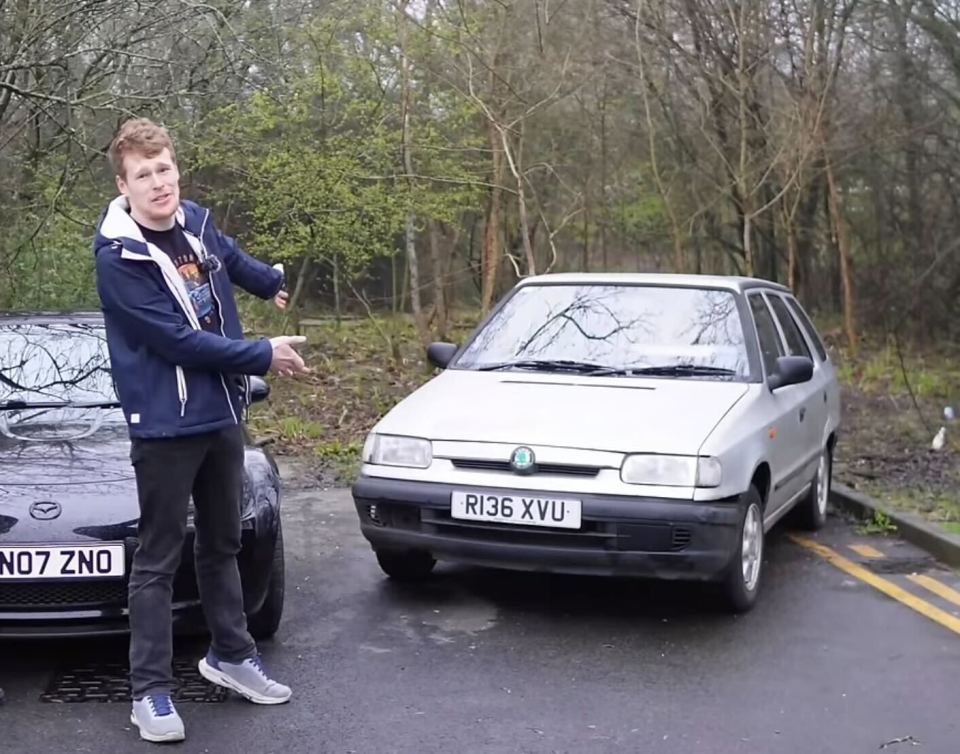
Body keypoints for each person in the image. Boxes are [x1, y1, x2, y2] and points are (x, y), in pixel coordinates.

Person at [93, 117, 308, 744]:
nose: (158, 184)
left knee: (224, 544)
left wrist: (268, 281)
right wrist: (261, 353)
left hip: (220, 413)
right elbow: (179, 342)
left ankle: (232, 657)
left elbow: (227, 255)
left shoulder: (195, 220)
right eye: (143, 175)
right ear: (123, 184)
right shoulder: (120, 261)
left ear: (175, 168)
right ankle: (150, 693)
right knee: (157, 561)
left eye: (164, 169)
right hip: (164, 423)